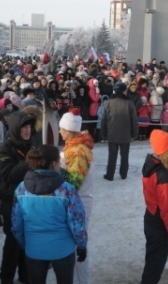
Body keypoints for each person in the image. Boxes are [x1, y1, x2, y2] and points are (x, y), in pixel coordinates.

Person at [11, 145, 88, 284]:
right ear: (54, 164)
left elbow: (16, 223)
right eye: (59, 162)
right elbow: (77, 222)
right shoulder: (67, 191)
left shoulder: (21, 189)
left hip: (34, 250)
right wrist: (82, 245)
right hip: (62, 251)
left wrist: (25, 244)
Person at [0, 111, 36, 284]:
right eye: (23, 127)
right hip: (10, 202)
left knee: (26, 241)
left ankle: (25, 276)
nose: (27, 131)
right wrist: (29, 160)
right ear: (15, 128)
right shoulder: (4, 148)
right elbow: (9, 175)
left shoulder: (30, 146)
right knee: (12, 243)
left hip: (28, 202)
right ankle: (6, 278)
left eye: (29, 127)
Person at [141, 130, 168, 284]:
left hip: (151, 220)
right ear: (166, 151)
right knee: (154, 268)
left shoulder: (152, 165)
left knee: (152, 263)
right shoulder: (163, 175)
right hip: (159, 226)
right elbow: (166, 210)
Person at [58, 112, 94, 284]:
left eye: (61, 129)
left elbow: (74, 182)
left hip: (79, 204)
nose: (59, 131)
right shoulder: (72, 146)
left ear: (69, 130)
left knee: (78, 247)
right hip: (74, 202)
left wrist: (53, 170)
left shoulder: (78, 151)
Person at [100, 82, 138, 181]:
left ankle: (110, 175)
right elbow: (134, 120)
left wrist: (103, 133)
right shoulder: (129, 103)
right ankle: (123, 174)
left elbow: (103, 119)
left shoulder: (108, 103)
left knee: (112, 156)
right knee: (124, 155)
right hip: (125, 133)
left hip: (112, 133)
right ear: (123, 91)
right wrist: (134, 134)